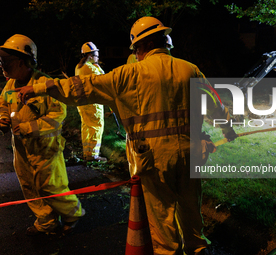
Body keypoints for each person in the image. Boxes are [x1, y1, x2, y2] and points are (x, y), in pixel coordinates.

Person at [16, 17, 237, 254]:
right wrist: (228, 130)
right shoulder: (190, 69)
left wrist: (39, 87)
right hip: (192, 151)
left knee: (163, 218)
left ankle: (169, 251)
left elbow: (80, 88)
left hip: (154, 158)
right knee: (191, 207)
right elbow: (216, 105)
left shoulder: (127, 74)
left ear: (140, 47)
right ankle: (198, 247)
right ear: (164, 41)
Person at [0, 34, 85, 235]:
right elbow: (3, 104)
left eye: (6, 62)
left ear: (22, 62)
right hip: (21, 149)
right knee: (29, 187)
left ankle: (73, 214)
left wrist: (28, 128)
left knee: (52, 187)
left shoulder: (44, 84)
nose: (2, 66)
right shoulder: (11, 84)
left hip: (46, 149)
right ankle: (46, 222)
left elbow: (58, 115)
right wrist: (3, 118)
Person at [75, 42, 106, 162]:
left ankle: (87, 152)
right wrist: (98, 66)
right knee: (96, 127)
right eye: (97, 56)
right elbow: (103, 79)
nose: (98, 58)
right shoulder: (90, 67)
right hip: (92, 103)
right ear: (91, 55)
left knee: (86, 127)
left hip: (82, 103)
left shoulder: (79, 67)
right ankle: (93, 155)